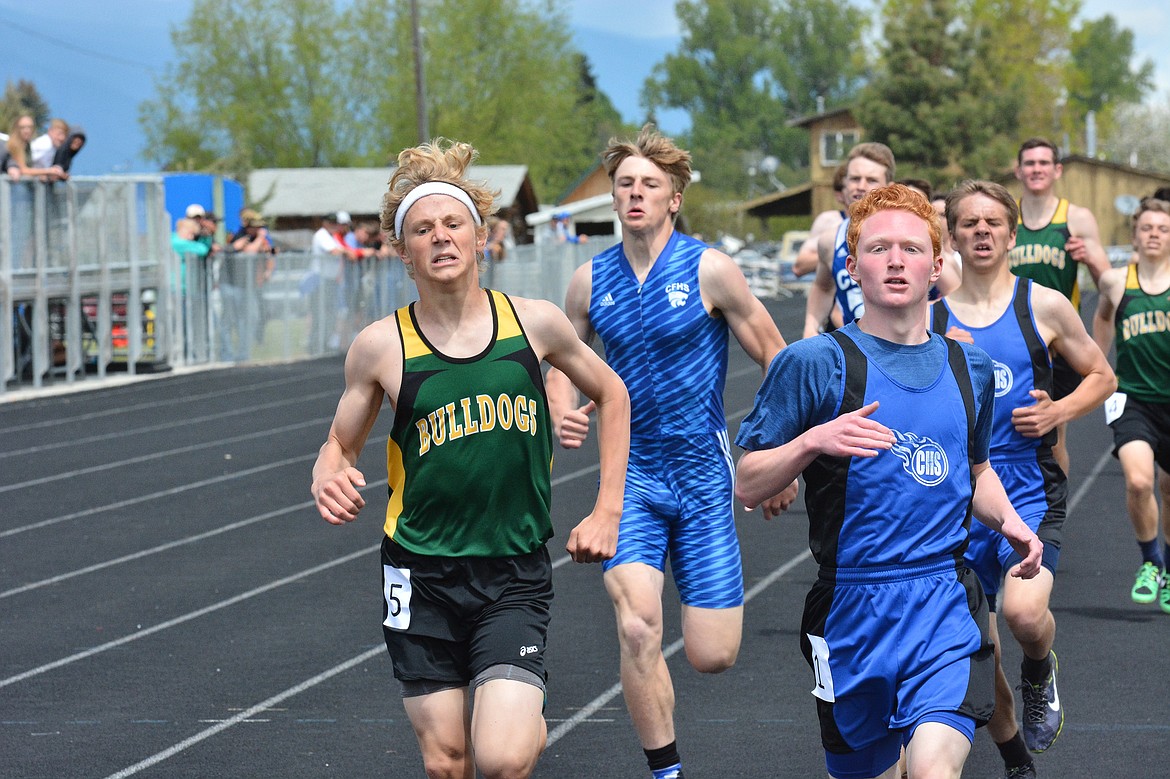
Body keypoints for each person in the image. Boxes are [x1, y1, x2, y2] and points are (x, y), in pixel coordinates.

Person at [311, 138, 630, 779]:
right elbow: (340, 441)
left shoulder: (534, 325)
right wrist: (327, 469)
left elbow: (612, 392)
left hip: (511, 571)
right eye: (423, 230)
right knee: (446, 762)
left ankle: (517, 722)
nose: (441, 238)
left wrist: (608, 510)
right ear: (404, 253)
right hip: (418, 574)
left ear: (480, 236)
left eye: (454, 224)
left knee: (504, 759)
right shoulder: (381, 347)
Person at [736, 183, 1043, 779]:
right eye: (879, 249)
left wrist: (1012, 524)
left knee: (933, 770)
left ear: (936, 266)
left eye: (911, 248)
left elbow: (975, 474)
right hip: (851, 607)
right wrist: (810, 442)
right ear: (852, 268)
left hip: (944, 601)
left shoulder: (968, 367)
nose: (896, 260)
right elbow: (748, 483)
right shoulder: (814, 364)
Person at [545, 124, 791, 779]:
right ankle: (666, 770)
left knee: (713, 653)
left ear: (673, 196)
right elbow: (563, 360)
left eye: (648, 184)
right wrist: (561, 403)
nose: (634, 193)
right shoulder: (588, 281)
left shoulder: (711, 269)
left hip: (704, 476)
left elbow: (778, 357)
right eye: (624, 183)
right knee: (636, 627)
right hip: (630, 480)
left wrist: (781, 451)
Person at [931, 180, 1115, 777]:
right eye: (969, 223)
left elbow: (1101, 376)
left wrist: (1058, 412)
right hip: (958, 496)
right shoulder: (930, 317)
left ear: (1013, 235)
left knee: (1024, 617)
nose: (981, 232)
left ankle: (1042, 670)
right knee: (980, 652)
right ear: (952, 236)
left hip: (1029, 485)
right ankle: (1016, 760)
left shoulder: (1043, 305)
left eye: (993, 223)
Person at [1009, 138, 1111, 476]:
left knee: (1053, 440)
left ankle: (1054, 517)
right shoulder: (1006, 218)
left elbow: (1108, 287)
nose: (1036, 169)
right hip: (1011, 337)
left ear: (1057, 170)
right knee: (1005, 433)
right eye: (1029, 163)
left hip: (1058, 340)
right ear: (1018, 170)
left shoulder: (1076, 218)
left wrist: (1091, 260)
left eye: (1043, 163)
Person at [1092, 197, 1170, 613]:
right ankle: (1151, 562)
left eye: (1163, 228)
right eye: (1147, 227)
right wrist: (1100, 365)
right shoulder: (1117, 282)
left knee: (1169, 488)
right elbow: (1103, 318)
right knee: (1140, 481)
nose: (1154, 234)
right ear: (1135, 233)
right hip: (1134, 397)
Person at [793, 163, 848, 278]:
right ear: (839, 195)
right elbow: (799, 266)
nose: (862, 186)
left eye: (871, 180)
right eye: (855, 180)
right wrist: (841, 251)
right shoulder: (830, 221)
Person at [3, 115, 66, 182]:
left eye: (29, 127)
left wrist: (41, 175)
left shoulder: (27, 146)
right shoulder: (13, 145)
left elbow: (30, 167)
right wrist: (49, 171)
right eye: (22, 127)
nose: (27, 131)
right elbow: (23, 170)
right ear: (17, 129)